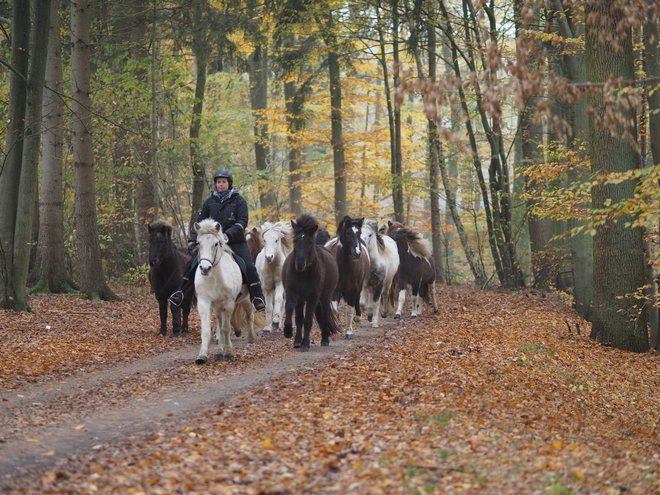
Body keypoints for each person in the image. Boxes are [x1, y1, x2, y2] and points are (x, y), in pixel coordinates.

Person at [169, 169, 266, 312]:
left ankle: (257, 297)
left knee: (249, 266)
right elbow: (200, 223)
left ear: (229, 183)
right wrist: (193, 239)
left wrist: (227, 235)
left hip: (234, 241)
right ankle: (181, 293)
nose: (221, 185)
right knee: (192, 264)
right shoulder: (209, 202)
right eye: (219, 182)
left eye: (224, 182)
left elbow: (242, 221)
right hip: (211, 243)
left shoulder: (239, 201)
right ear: (216, 184)